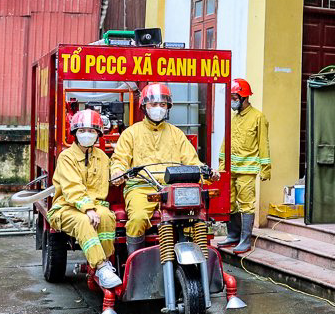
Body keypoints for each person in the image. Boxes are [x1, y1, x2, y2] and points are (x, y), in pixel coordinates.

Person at [111, 83, 214, 256]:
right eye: (153, 104)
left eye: (162, 104)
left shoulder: (176, 134)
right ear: (144, 106)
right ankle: (136, 265)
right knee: (137, 220)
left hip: (173, 191)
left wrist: (206, 171)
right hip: (140, 189)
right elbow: (119, 160)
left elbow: (192, 161)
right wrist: (117, 173)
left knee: (198, 219)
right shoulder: (131, 133)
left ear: (168, 108)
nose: (158, 108)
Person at [50, 110, 122, 290]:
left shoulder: (102, 157)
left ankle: (104, 265)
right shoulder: (66, 157)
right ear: (74, 133)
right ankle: (101, 266)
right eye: (82, 131)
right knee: (85, 221)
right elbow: (72, 188)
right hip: (66, 207)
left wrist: (118, 176)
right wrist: (88, 209)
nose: (87, 135)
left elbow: (112, 173)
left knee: (106, 216)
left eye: (91, 130)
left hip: (95, 206)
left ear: (99, 133)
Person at [216, 78, 271, 255]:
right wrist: (222, 165)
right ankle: (233, 235)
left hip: (247, 168)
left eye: (234, 96)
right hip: (230, 169)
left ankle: (245, 240)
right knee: (229, 202)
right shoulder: (234, 117)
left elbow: (263, 144)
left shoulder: (258, 117)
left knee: (246, 204)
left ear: (244, 97)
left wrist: (266, 168)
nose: (232, 100)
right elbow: (226, 142)